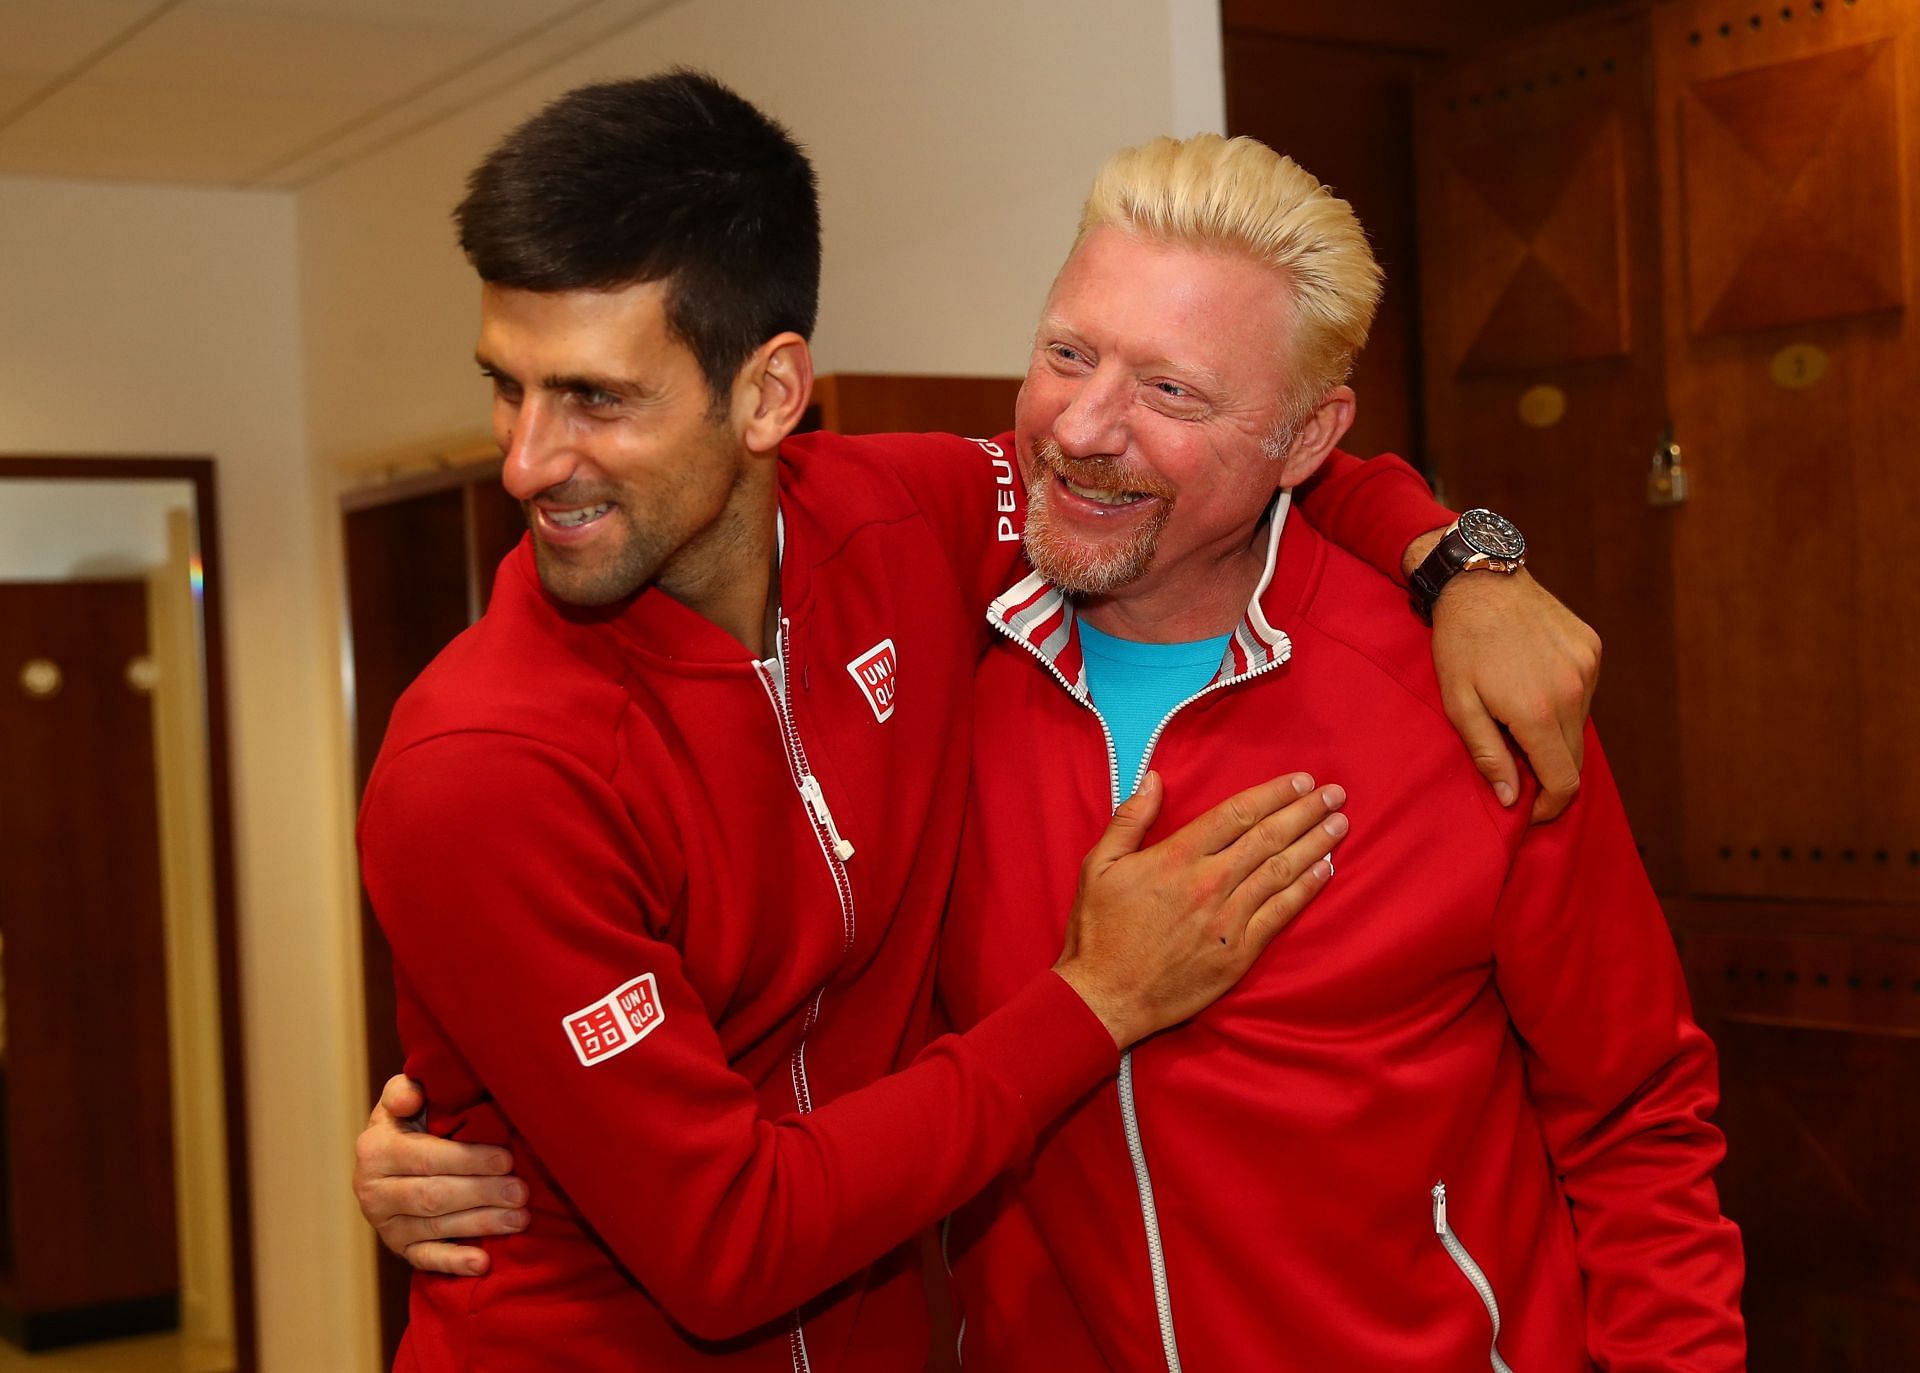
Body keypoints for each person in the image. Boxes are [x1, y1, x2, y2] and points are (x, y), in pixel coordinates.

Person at [353, 74, 1605, 1371]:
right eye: (509, 388)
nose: (526, 460)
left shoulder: (905, 520)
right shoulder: (478, 772)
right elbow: (727, 1242)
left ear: (773, 394)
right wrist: (1099, 996)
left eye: (598, 399)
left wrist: (1462, 563)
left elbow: (1208, 452)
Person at [929, 135, 1745, 1369]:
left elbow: (1636, 1116)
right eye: (1068, 353)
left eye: (1173, 392)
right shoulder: (931, 661)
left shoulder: (1472, 697)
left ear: (1307, 439)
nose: (1085, 428)